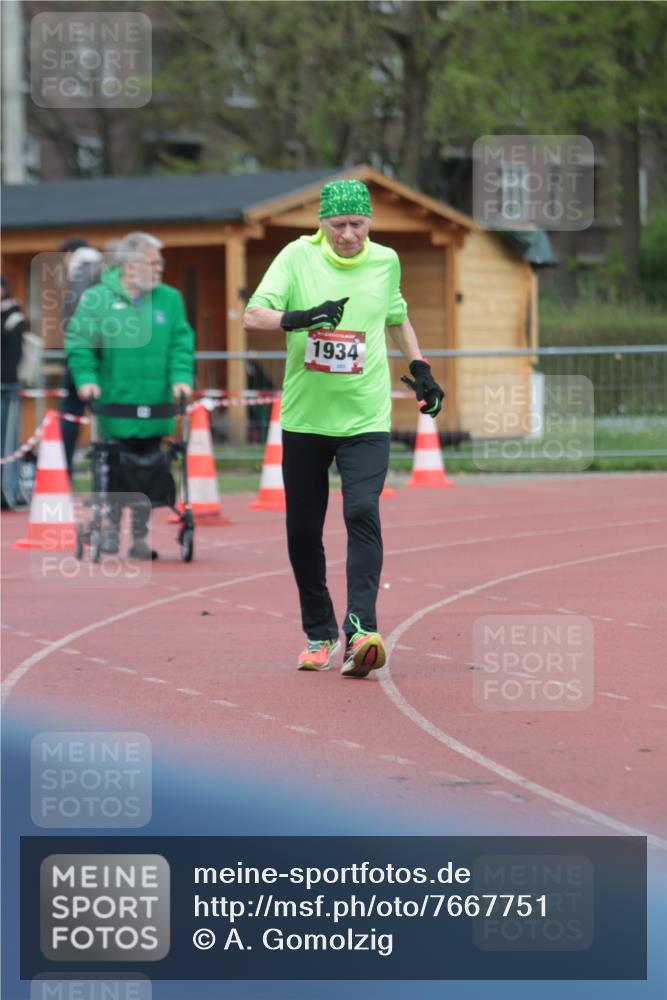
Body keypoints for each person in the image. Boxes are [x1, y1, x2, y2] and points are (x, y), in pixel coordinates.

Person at [244, 178, 444, 677]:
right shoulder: (296, 257)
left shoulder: (386, 260)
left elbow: (396, 316)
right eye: (339, 225)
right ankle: (319, 632)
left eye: (358, 224)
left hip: (365, 416)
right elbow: (253, 316)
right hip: (306, 419)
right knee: (303, 529)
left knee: (360, 510)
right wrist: (302, 317)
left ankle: (361, 632)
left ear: (370, 223)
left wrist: (420, 367)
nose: (349, 235)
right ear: (322, 223)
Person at [65, 231, 195, 559]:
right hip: (113, 403)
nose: (159, 268)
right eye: (152, 263)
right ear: (129, 265)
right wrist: (86, 379)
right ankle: (108, 529)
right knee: (114, 468)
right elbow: (80, 344)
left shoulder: (170, 298)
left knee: (152, 469)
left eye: (159, 262)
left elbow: (181, 342)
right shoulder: (96, 299)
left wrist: (181, 378)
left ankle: (140, 538)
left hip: (156, 404)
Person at [58, 237, 103, 475]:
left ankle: (64, 469)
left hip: (84, 351)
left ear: (71, 253)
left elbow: (78, 316)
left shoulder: (81, 271)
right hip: (101, 350)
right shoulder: (101, 269)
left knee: (70, 412)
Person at [1, 275, 26, 509]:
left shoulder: (14, 317)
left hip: (5, 388)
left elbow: (13, 356)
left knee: (7, 444)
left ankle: (9, 490)